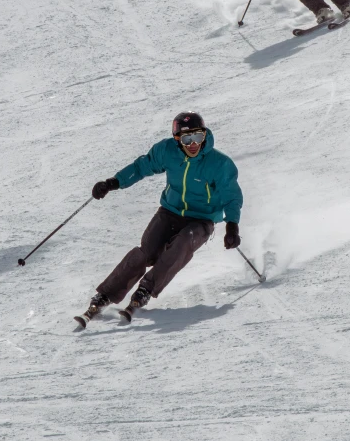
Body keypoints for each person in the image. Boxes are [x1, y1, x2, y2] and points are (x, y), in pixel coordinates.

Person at [76, 111, 243, 326]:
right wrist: (113, 183)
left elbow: (232, 196)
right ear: (177, 140)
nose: (193, 144)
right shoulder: (167, 151)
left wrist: (232, 226)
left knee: (182, 244)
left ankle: (146, 289)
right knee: (146, 252)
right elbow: (141, 167)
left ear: (205, 135)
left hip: (201, 219)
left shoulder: (219, 164)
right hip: (170, 211)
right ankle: (106, 295)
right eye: (186, 139)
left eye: (198, 137)